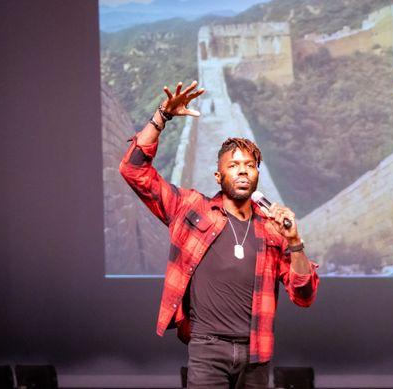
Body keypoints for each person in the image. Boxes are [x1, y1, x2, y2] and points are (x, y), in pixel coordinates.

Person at [119, 80, 320, 388]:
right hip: (207, 349)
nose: (242, 170)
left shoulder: (271, 230)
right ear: (218, 175)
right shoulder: (191, 208)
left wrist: (294, 242)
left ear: (256, 176)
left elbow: (304, 294)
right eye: (234, 165)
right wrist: (162, 116)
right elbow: (134, 170)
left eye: (250, 166)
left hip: (256, 353)